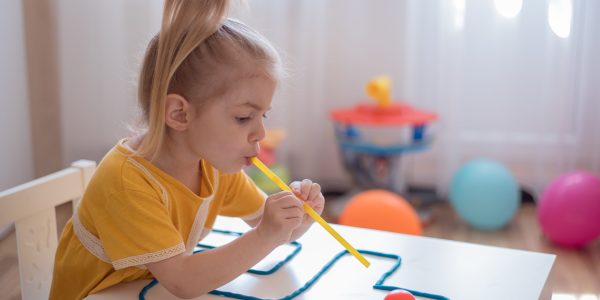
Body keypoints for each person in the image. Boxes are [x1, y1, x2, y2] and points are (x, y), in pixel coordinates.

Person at [49, 1, 325, 299]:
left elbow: (268, 227)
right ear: (180, 114)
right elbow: (183, 281)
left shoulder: (215, 163)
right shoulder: (126, 183)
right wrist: (265, 235)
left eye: (263, 115)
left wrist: (297, 218)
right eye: (244, 117)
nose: (260, 133)